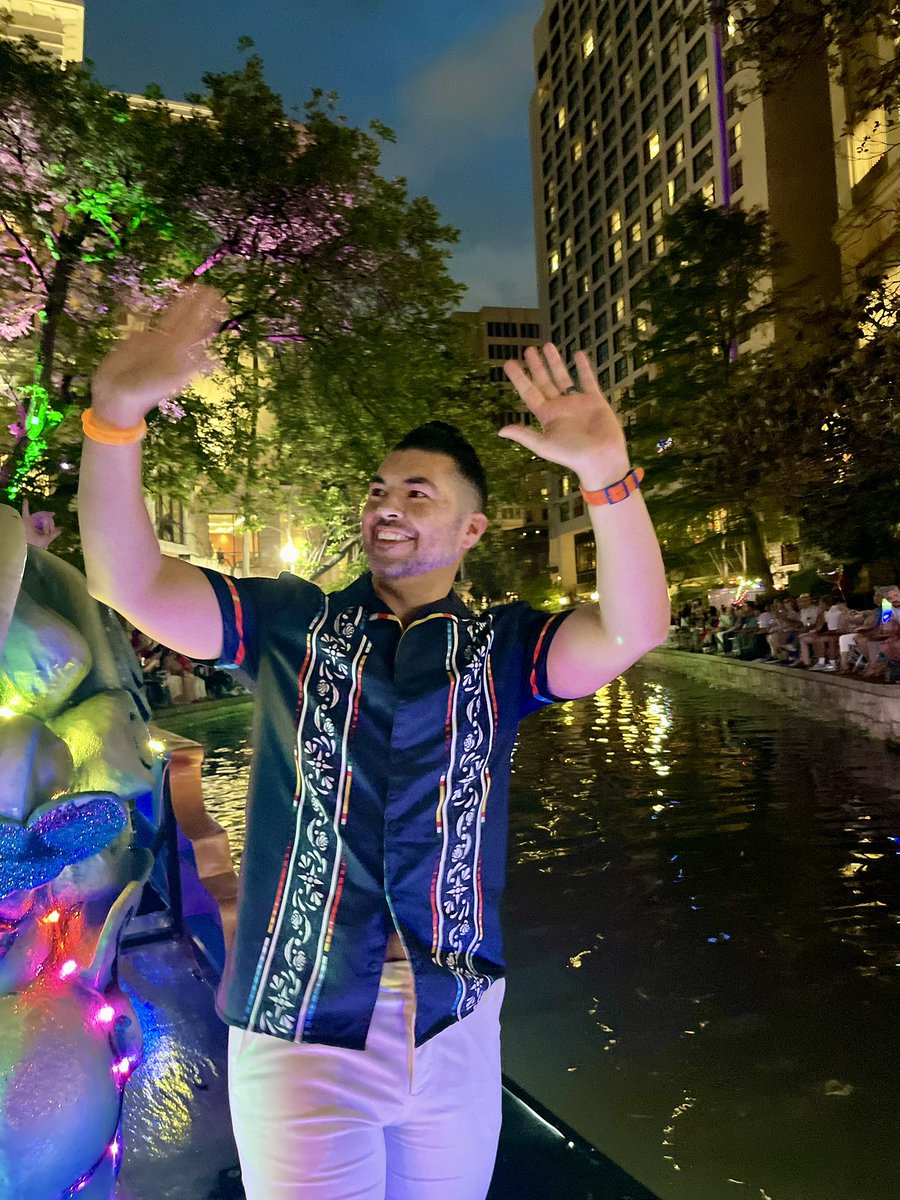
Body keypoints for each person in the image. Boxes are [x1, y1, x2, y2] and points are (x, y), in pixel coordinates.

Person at [77, 287, 669, 1200]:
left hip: (455, 1022)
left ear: (472, 530)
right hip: (298, 1022)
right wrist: (114, 420)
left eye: (417, 493)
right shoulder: (289, 624)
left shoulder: (504, 650)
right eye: (377, 490)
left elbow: (633, 629)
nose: (385, 505)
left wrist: (608, 476)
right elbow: (131, 579)